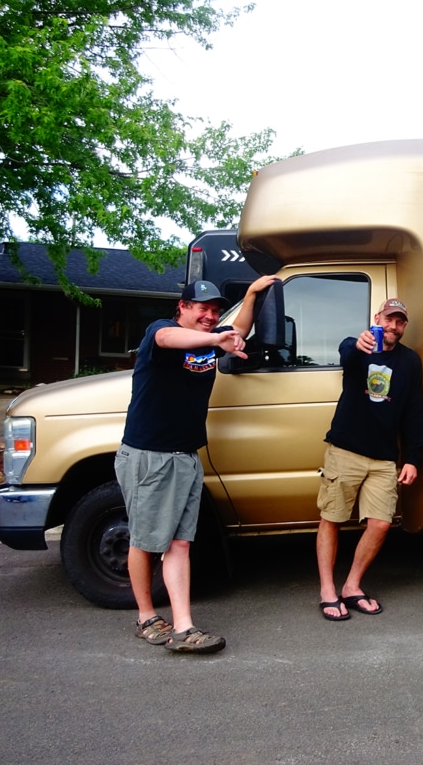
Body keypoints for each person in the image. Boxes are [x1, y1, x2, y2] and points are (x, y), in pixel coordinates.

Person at [118, 275, 279, 653]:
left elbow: (238, 328)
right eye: (202, 309)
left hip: (186, 456)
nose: (210, 316)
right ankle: (145, 618)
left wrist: (253, 294)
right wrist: (214, 339)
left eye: (215, 311)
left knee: (179, 544)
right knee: (145, 540)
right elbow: (167, 339)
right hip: (150, 456)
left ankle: (184, 627)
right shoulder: (163, 332)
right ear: (183, 308)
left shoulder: (208, 341)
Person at [316, 298, 423, 621]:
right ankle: (327, 591)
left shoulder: (410, 362)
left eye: (400, 322)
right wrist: (358, 342)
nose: (394, 326)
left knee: (380, 524)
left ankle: (351, 586)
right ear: (377, 319)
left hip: (384, 459)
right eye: (389, 319)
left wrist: (413, 458)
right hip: (345, 449)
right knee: (331, 519)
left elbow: (413, 414)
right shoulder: (358, 347)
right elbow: (346, 352)